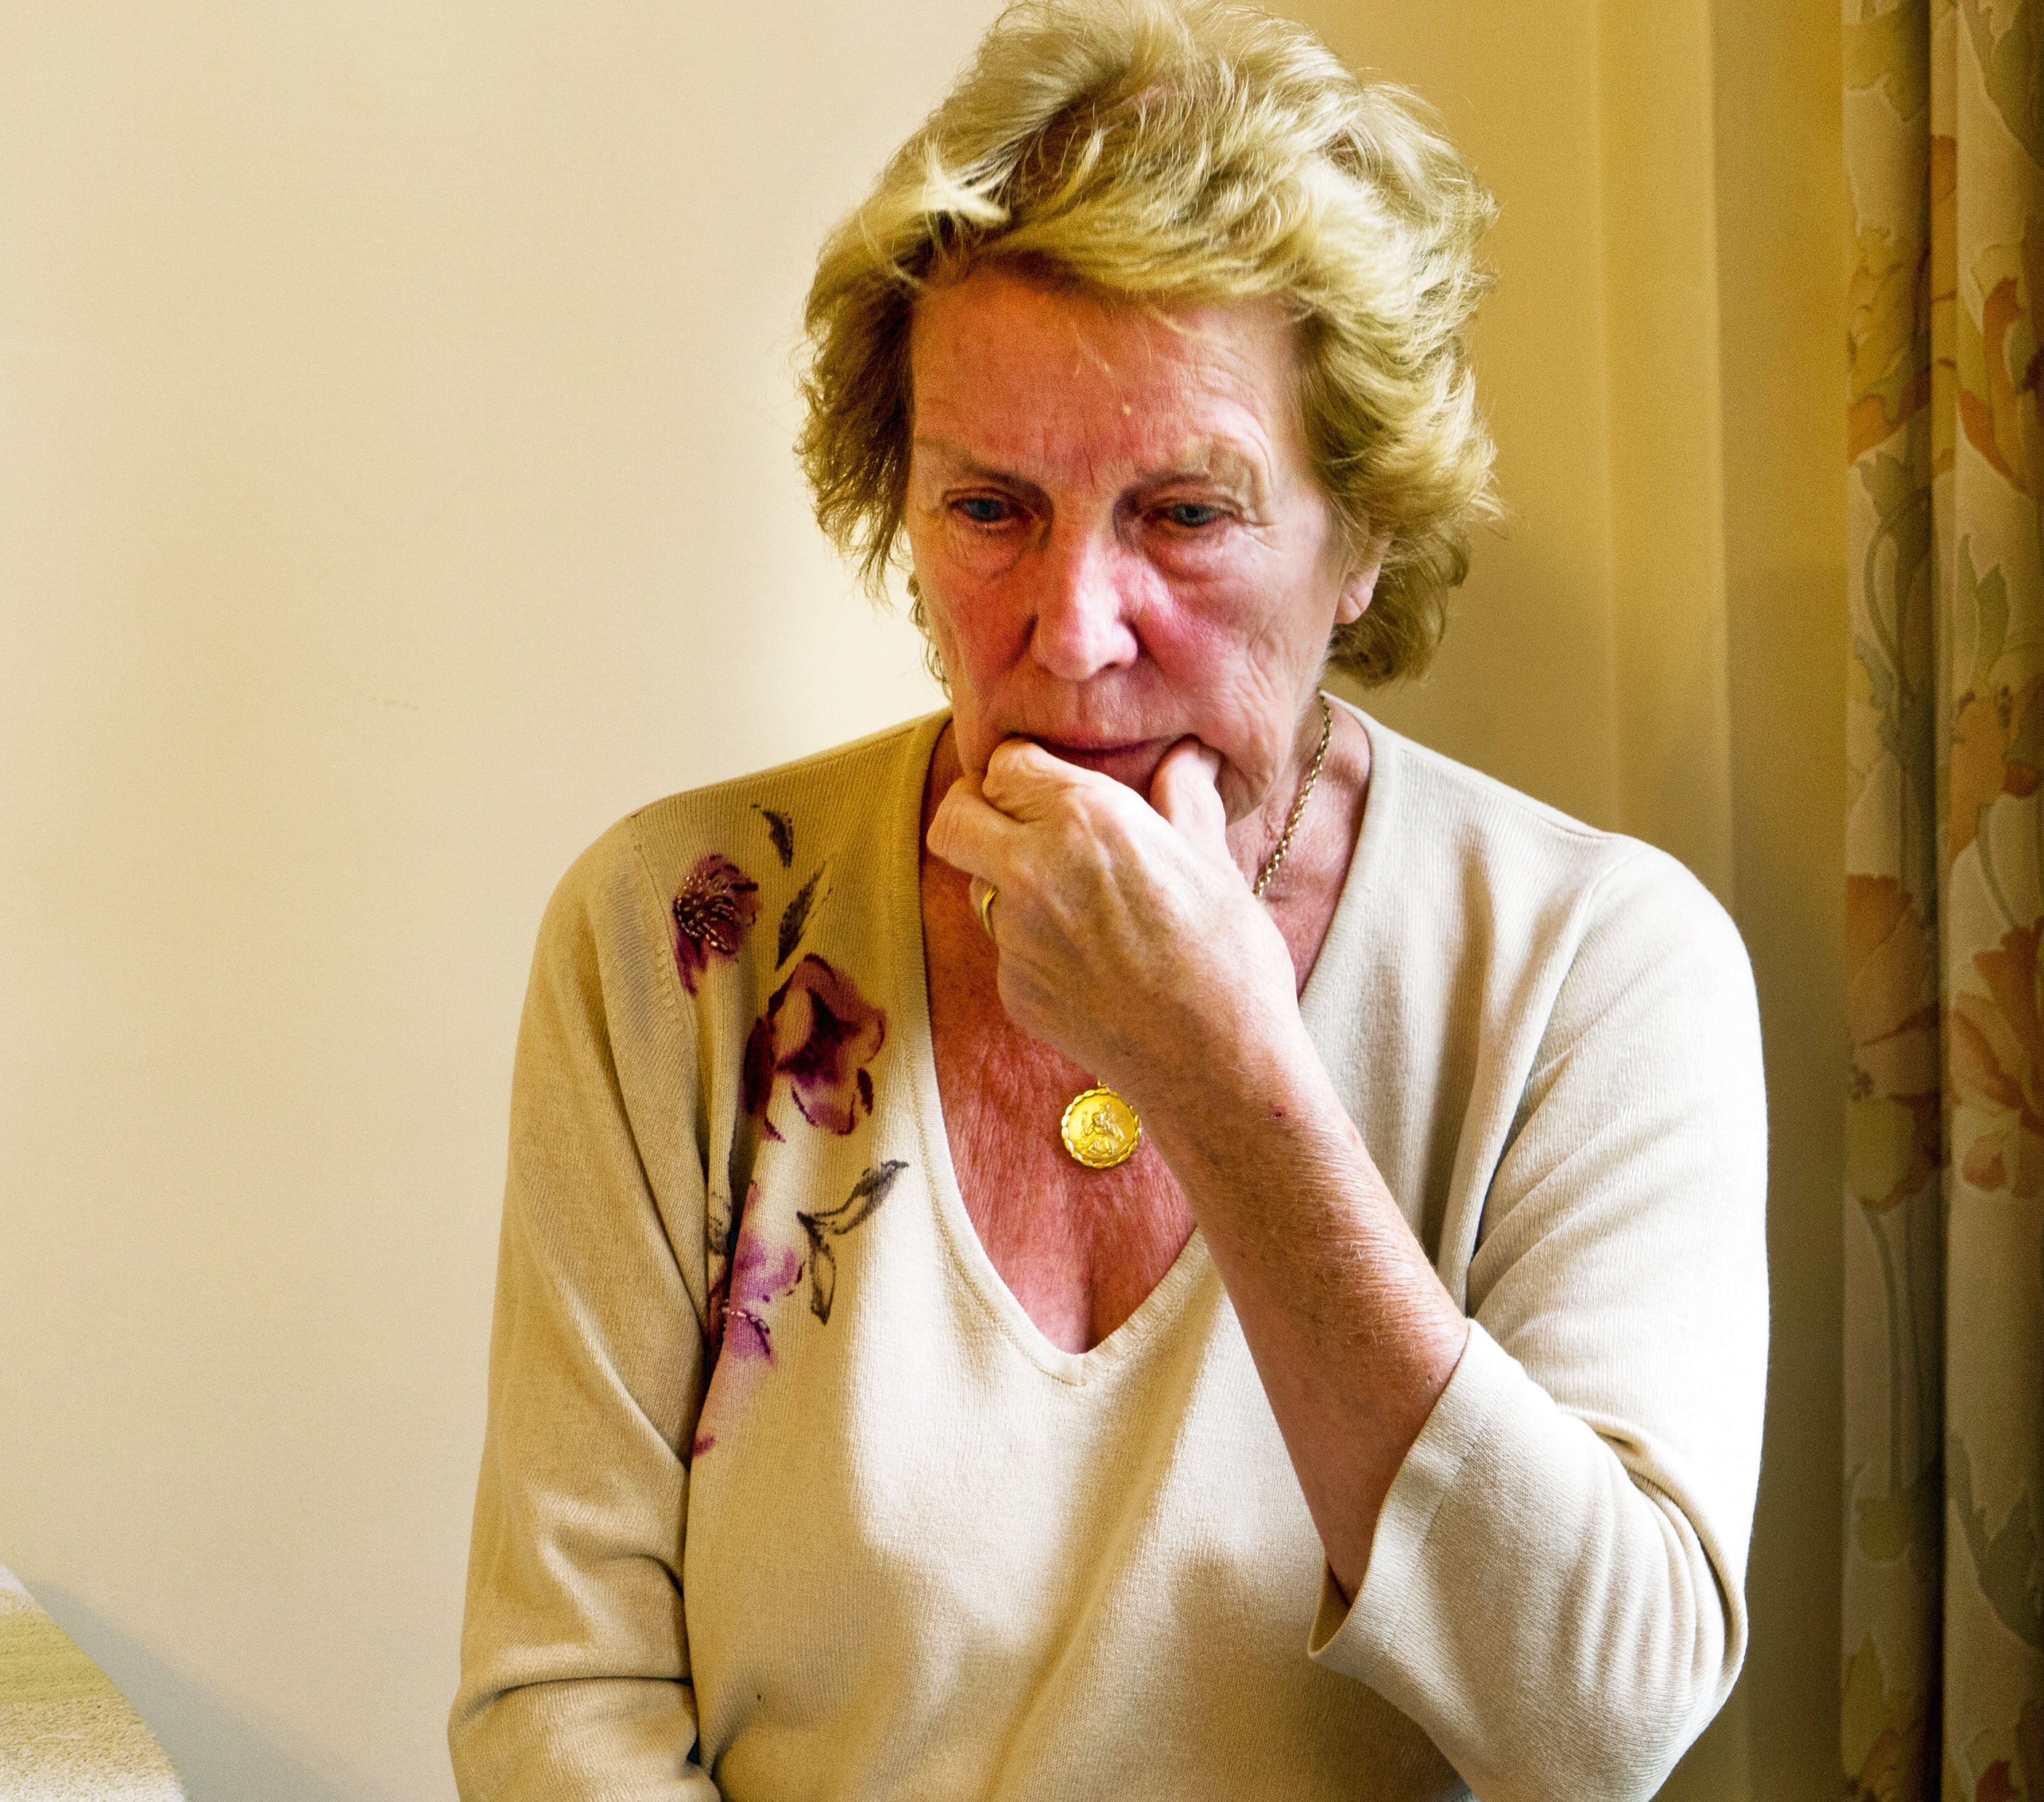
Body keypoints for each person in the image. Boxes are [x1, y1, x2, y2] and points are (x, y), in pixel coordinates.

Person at [449, 3, 1768, 1797]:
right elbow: (557, 1708)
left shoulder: (1594, 966)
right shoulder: (679, 933)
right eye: (991, 507)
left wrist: (1224, 1071)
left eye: (1185, 514)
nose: (1072, 629)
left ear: (1361, 529)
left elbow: (1599, 1725)